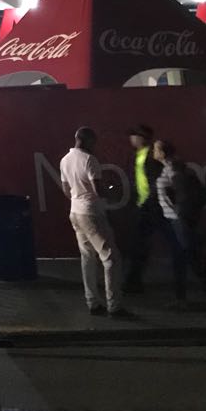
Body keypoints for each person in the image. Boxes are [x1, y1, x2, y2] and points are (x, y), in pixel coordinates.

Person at [59, 127, 130, 319]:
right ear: (89, 141)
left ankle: (92, 302)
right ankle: (114, 306)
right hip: (92, 213)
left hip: (75, 212)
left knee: (87, 257)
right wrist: (111, 192)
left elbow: (65, 188)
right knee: (111, 258)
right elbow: (98, 190)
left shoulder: (65, 160)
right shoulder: (90, 160)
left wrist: (77, 198)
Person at [153, 138, 206, 304]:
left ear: (162, 152)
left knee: (187, 255)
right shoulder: (170, 168)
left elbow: (181, 192)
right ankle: (181, 296)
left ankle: (182, 297)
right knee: (187, 255)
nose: (153, 152)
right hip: (175, 219)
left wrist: (179, 211)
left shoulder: (173, 169)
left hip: (179, 220)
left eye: (155, 149)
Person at [125, 124, 163, 293]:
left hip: (153, 207)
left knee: (178, 243)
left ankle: (133, 282)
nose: (131, 138)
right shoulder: (137, 155)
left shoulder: (152, 155)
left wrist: (149, 201)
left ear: (141, 137)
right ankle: (134, 282)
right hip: (144, 206)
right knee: (139, 245)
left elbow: (156, 182)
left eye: (133, 135)